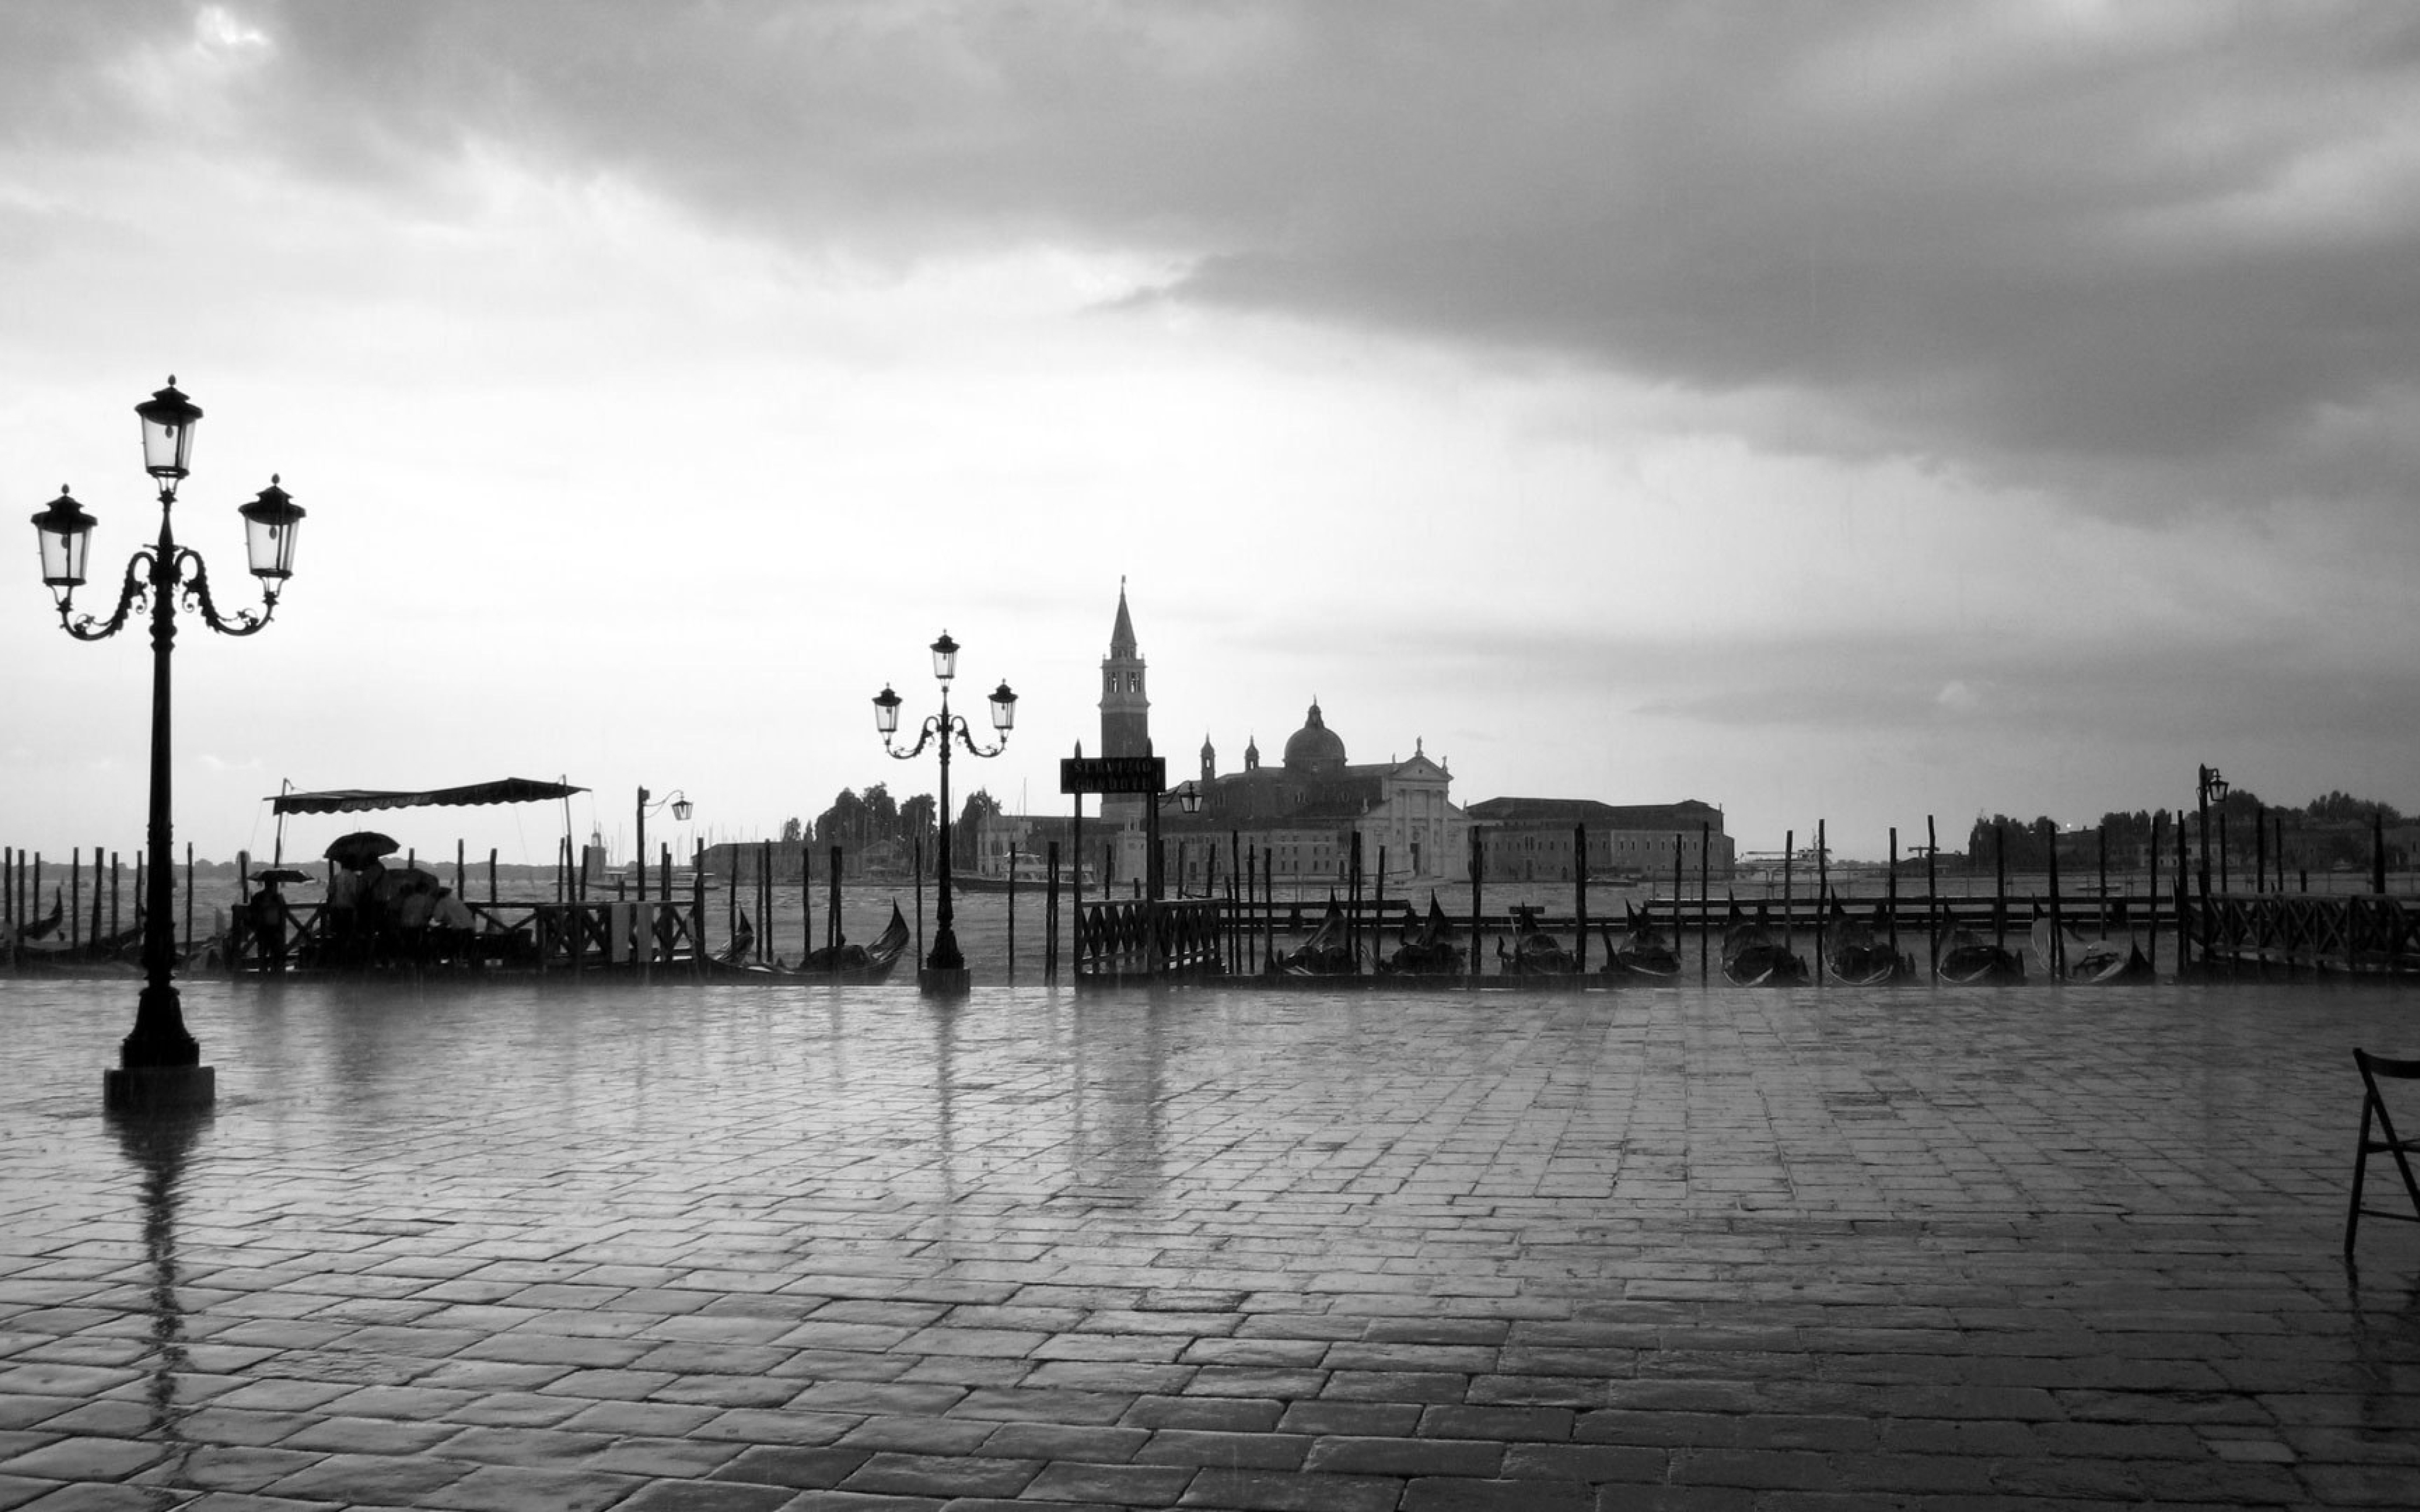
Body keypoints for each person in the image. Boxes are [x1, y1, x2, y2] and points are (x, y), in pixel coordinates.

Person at [395, 878, 437, 964]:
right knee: (424, 939)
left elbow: (402, 911)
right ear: (424, 889)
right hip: (418, 925)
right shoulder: (427, 899)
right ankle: (421, 959)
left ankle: (407, 959)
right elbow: (427, 914)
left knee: (408, 943)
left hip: (404, 925)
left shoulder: (408, 899)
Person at [429, 886, 475, 965]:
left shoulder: (441, 903)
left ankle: (446, 959)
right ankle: (457, 959)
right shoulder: (458, 901)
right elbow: (467, 914)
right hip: (470, 930)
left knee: (438, 937)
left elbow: (438, 918)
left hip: (459, 931)